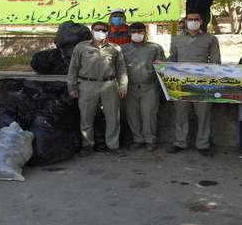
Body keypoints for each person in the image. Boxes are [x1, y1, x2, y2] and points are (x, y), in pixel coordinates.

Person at [67, 22, 128, 154]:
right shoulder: (81, 47)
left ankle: (113, 145)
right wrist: (72, 86)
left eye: (104, 30)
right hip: (87, 85)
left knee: (113, 118)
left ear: (108, 32)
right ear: (92, 31)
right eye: (97, 30)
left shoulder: (115, 48)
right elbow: (73, 68)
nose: (100, 32)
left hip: (109, 85)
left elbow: (121, 69)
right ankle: (87, 145)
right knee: (86, 117)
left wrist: (123, 85)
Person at [166, 12, 221, 156]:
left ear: (201, 21)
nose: (193, 21)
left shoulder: (210, 39)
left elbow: (216, 61)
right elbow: (172, 58)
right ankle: (180, 142)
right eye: (190, 19)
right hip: (181, 83)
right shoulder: (176, 39)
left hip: (203, 84)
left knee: (203, 115)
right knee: (180, 114)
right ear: (185, 21)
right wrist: (162, 65)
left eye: (196, 19)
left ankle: (203, 144)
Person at [121, 22, 165, 152]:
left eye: (140, 31)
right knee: (132, 115)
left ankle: (150, 140)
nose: (137, 34)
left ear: (145, 32)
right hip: (129, 87)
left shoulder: (155, 48)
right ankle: (137, 139)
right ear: (129, 33)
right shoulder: (123, 49)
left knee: (149, 114)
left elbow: (162, 67)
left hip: (150, 86)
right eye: (134, 32)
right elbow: (118, 68)